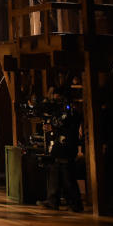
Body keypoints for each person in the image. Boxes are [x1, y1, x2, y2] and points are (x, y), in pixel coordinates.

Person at [41, 84, 84, 212]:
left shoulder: (70, 110)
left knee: (68, 177)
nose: (55, 98)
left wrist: (52, 125)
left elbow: (61, 122)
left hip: (67, 146)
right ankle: (52, 201)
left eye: (57, 96)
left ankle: (75, 204)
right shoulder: (63, 110)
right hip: (60, 146)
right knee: (55, 174)